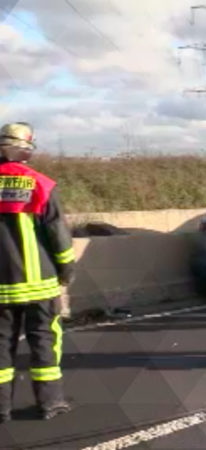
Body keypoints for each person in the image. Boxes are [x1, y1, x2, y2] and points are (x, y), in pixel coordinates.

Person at [0, 122, 74, 422]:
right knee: (44, 340)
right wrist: (66, 269)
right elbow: (57, 233)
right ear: (27, 150)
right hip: (39, 284)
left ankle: (1, 408)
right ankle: (50, 403)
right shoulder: (40, 184)